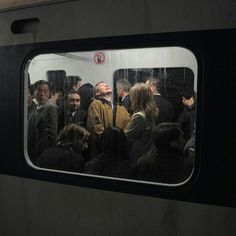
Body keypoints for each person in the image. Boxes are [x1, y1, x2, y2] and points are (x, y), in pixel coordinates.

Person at [86, 81, 130, 159]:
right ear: (97, 93)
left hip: (119, 148)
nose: (106, 85)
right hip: (102, 149)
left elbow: (128, 123)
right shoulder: (95, 104)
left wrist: (122, 140)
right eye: (102, 85)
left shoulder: (120, 106)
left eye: (107, 84)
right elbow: (96, 126)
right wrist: (106, 142)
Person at [124, 82, 159, 162]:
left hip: (138, 153)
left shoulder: (139, 116)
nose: (130, 99)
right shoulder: (149, 112)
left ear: (137, 98)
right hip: (147, 151)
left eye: (132, 96)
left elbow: (126, 136)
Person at [28, 80, 58, 163]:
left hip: (40, 154)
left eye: (45, 91)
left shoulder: (50, 107)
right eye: (39, 90)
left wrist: (34, 151)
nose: (42, 94)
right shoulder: (37, 106)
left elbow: (51, 136)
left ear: (49, 93)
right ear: (34, 93)